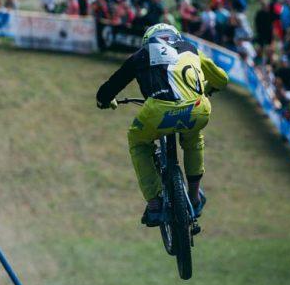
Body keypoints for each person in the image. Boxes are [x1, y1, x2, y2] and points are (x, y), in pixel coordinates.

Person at [96, 24, 229, 226]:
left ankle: (154, 205)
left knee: (138, 142)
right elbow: (222, 79)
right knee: (193, 139)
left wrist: (105, 101)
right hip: (196, 109)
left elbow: (110, 88)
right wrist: (208, 88)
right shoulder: (190, 48)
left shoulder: (141, 55)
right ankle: (194, 197)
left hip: (158, 113)